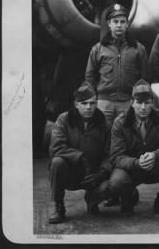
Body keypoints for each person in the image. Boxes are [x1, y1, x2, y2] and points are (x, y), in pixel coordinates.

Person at [108, 79, 159, 217]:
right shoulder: (120, 123)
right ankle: (129, 196)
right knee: (116, 181)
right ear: (132, 103)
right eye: (139, 103)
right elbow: (116, 157)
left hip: (156, 165)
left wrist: (155, 155)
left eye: (147, 103)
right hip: (132, 169)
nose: (143, 107)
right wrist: (136, 162)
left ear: (152, 103)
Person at [48, 82, 112, 224]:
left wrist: (100, 173)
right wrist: (79, 156)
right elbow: (55, 148)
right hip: (71, 172)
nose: (88, 107)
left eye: (92, 103)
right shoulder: (64, 120)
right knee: (57, 163)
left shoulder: (104, 124)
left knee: (114, 182)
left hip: (93, 175)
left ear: (97, 103)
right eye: (84, 103)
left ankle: (92, 199)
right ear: (76, 104)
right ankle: (57, 204)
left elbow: (110, 155)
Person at [85, 3, 150, 128]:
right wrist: (94, 101)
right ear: (109, 24)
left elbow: (145, 78)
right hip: (104, 103)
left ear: (127, 24)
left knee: (127, 137)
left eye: (122, 22)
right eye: (115, 21)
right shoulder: (98, 49)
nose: (119, 25)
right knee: (103, 138)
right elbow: (90, 77)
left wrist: (137, 101)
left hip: (128, 102)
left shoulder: (138, 49)